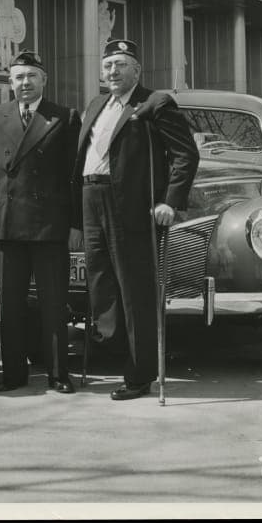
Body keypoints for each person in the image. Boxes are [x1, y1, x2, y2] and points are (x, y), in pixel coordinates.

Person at [72, 39, 199, 400]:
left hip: (129, 205)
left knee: (135, 290)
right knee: (100, 281)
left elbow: (185, 155)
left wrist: (170, 203)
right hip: (90, 197)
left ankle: (139, 374)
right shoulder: (96, 104)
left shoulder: (154, 103)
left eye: (121, 65)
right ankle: (111, 347)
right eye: (108, 64)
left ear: (137, 70)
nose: (113, 71)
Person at [0, 50, 82, 394]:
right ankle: (13, 374)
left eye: (31, 76)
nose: (25, 83)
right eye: (19, 77)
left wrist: (75, 224)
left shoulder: (64, 118)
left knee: (53, 302)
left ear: (44, 80)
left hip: (49, 225)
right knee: (11, 305)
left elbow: (74, 175)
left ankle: (57, 373)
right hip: (9, 224)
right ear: (9, 82)